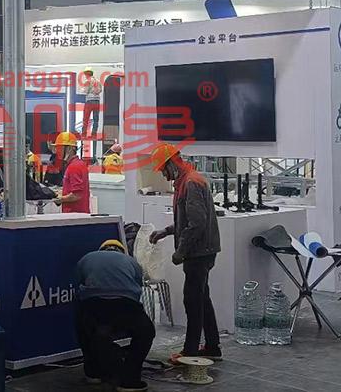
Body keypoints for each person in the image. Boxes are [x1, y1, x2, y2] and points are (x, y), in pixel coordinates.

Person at [149, 143, 222, 361]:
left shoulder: (190, 183)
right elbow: (188, 221)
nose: (164, 175)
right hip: (203, 250)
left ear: (171, 163)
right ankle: (212, 346)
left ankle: (190, 351)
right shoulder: (187, 181)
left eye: (163, 170)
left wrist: (180, 251)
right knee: (202, 298)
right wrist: (166, 231)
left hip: (198, 253)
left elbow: (197, 224)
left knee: (192, 301)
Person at [75, 239, 155, 392]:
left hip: (93, 304)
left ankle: (93, 373)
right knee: (146, 332)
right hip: (126, 304)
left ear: (102, 249)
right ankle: (130, 380)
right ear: (121, 251)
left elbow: (78, 284)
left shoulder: (87, 258)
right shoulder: (131, 261)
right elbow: (138, 285)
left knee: (87, 328)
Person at [54, 132, 91, 213]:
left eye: (60, 148)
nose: (57, 151)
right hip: (78, 214)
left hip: (74, 214)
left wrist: (60, 199)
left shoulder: (74, 167)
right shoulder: (78, 164)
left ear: (70, 149)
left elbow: (77, 195)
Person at [82, 67, 103, 139]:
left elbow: (85, 91)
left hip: (89, 101)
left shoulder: (87, 81)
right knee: (96, 119)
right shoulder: (98, 81)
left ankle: (84, 135)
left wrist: (82, 89)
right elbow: (100, 90)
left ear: (87, 74)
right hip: (97, 101)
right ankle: (94, 135)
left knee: (86, 119)